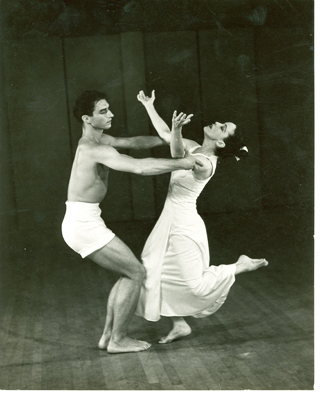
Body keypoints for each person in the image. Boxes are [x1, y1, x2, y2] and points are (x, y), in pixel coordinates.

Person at [61, 90, 202, 354]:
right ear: (87, 118)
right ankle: (118, 340)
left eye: (109, 108)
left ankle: (108, 337)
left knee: (129, 272)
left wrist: (169, 137)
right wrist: (182, 163)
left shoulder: (101, 139)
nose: (111, 113)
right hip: (82, 224)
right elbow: (139, 167)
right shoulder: (92, 148)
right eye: (103, 111)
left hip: (83, 221)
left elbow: (135, 143)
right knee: (136, 273)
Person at [136, 90, 268, 343]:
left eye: (223, 127)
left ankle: (239, 266)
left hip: (184, 225)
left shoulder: (205, 162)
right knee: (155, 271)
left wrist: (177, 131)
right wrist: (149, 106)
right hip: (171, 220)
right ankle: (179, 324)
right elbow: (167, 136)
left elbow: (177, 157)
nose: (217, 123)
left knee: (194, 285)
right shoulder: (195, 147)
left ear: (220, 142)